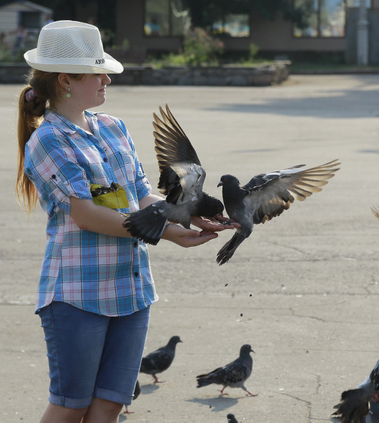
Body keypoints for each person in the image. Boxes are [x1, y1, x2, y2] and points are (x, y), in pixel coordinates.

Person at [15, 20, 235, 423]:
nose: (106, 81)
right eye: (97, 73)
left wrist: (190, 215)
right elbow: (86, 215)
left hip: (131, 291)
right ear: (65, 80)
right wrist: (168, 233)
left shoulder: (113, 127)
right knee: (70, 406)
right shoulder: (48, 140)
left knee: (111, 405)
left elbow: (142, 194)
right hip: (78, 294)